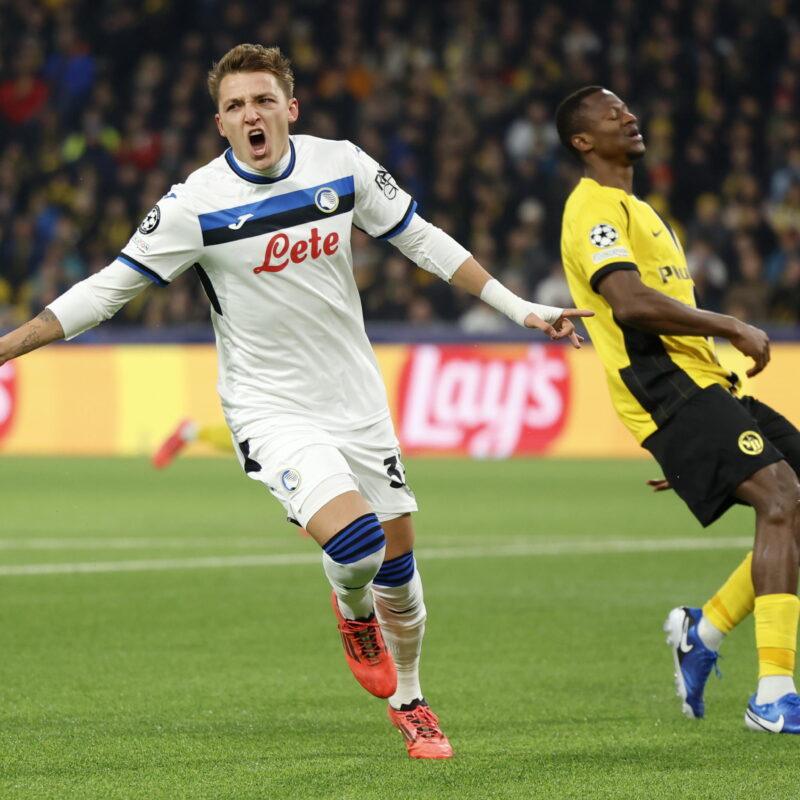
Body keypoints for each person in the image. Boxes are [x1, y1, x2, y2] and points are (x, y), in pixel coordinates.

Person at [0, 44, 592, 760]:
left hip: (356, 397)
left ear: (290, 108)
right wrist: (11, 343)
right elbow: (108, 288)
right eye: (236, 106)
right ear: (219, 122)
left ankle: (412, 700)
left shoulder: (338, 164)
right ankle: (351, 611)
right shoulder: (195, 205)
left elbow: (421, 239)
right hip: (269, 405)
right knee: (356, 545)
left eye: (263, 100)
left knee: (400, 570)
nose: (252, 114)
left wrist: (519, 307)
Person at [556, 85, 800, 734]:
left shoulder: (642, 210)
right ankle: (774, 695)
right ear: (583, 142)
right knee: (780, 496)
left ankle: (705, 628)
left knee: (796, 500)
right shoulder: (592, 212)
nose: (629, 116)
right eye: (612, 114)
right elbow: (630, 304)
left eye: (628, 108)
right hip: (664, 388)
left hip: (708, 389)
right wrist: (730, 323)